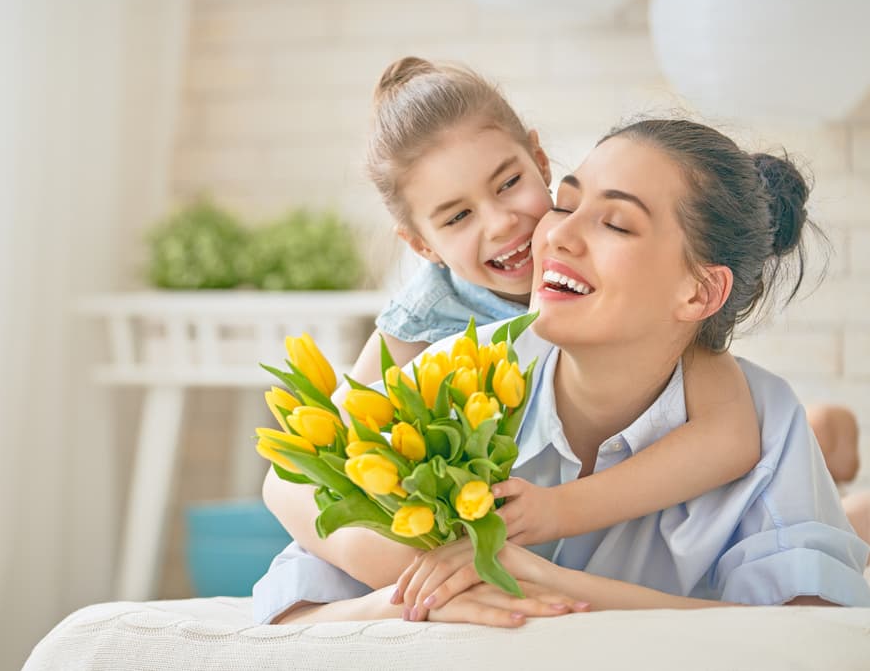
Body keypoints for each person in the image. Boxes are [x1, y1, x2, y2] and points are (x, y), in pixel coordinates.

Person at [254, 118, 870, 626]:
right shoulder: (457, 376)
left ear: (699, 292)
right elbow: (294, 601)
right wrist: (423, 598)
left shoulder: (759, 418)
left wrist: (544, 584)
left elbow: (810, 633)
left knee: (834, 506)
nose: (553, 236)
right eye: (566, 204)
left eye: (616, 223)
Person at [317, 56, 767, 564]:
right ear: (424, 246)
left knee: (779, 438)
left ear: (541, 161)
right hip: (499, 545)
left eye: (508, 183)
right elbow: (327, 461)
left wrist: (560, 510)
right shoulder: (420, 325)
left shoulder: (624, 287)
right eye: (459, 216)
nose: (500, 222)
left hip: (614, 526)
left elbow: (729, 434)